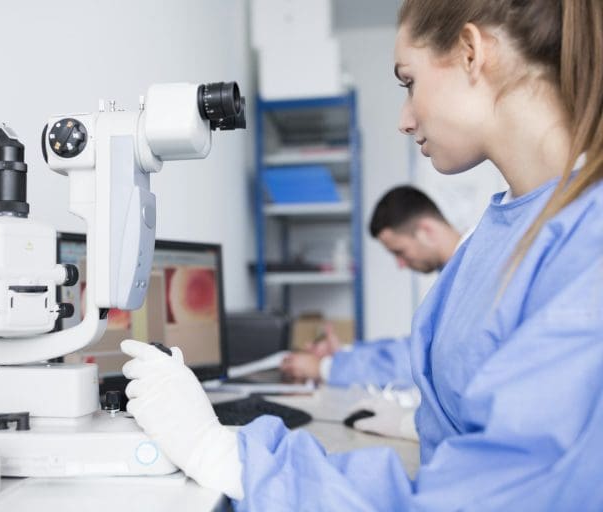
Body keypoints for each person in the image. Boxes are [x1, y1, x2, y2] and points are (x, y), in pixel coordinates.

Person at [121, 0, 603, 509]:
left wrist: (227, 455)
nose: (403, 117)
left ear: (470, 52)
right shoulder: (506, 228)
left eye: (407, 82)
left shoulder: (587, 249)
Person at [281, 185, 462, 385]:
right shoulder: (455, 274)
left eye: (399, 251)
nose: (400, 264)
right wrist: (345, 354)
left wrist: (324, 368)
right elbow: (419, 345)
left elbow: (420, 362)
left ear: (426, 231)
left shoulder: (470, 276)